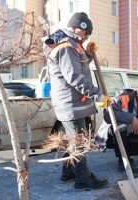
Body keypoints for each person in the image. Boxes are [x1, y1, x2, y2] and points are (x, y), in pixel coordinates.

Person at [44, 12, 110, 189]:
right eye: (85, 32)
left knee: (72, 140)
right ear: (75, 28)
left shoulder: (73, 45)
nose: (87, 36)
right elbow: (74, 77)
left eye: (89, 34)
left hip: (73, 103)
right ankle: (83, 180)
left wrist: (88, 54)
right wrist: (98, 95)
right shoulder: (66, 47)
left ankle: (69, 172)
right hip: (71, 104)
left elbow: (78, 66)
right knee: (79, 142)